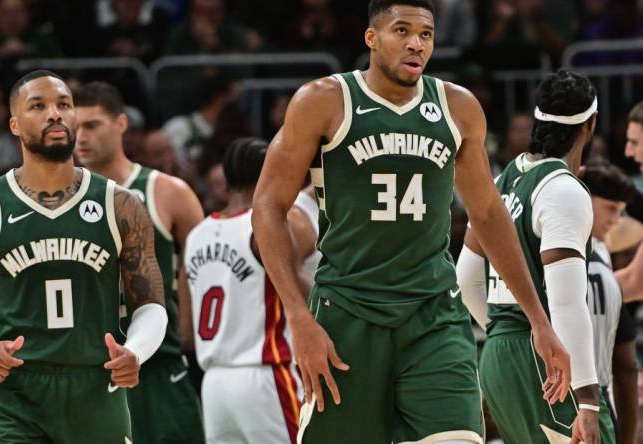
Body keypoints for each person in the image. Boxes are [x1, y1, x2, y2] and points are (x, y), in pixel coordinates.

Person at [251, 1, 571, 443]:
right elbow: (267, 205)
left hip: (433, 312)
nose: (416, 44)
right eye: (401, 31)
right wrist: (298, 318)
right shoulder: (324, 100)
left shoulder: (457, 107)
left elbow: (488, 213)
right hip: (348, 311)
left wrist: (538, 318)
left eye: (425, 34)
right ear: (371, 38)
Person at [0, 70, 168, 443]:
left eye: (64, 104)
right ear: (14, 124)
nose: (55, 114)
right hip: (16, 394)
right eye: (38, 106)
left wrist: (135, 352)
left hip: (96, 385)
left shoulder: (121, 204)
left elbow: (151, 303)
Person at [456, 69, 610, 443]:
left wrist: (501, 328)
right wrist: (587, 401)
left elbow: (465, 279)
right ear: (590, 125)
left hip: (496, 357)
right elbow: (567, 304)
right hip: (545, 362)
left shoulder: (502, 182)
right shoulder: (563, 191)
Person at [74, 81, 205, 444]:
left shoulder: (167, 192)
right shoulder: (58, 202)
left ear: (121, 124)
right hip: (88, 370)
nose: (80, 137)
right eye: (74, 128)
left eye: (92, 125)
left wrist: (193, 339)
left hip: (159, 366)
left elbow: (205, 272)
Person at [184, 138, 311, 443]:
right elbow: (301, 295)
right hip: (264, 375)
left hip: (214, 383)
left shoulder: (196, 234)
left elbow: (186, 331)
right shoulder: (264, 228)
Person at [581, 161, 638, 444]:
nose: (617, 219)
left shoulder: (600, 247)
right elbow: (626, 370)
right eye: (611, 209)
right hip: (592, 396)